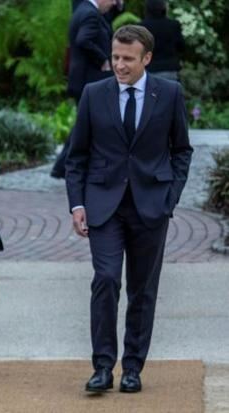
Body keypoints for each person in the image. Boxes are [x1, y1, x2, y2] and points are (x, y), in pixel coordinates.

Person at [65, 25, 192, 393]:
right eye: (116, 57)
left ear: (146, 59)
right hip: (103, 206)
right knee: (105, 280)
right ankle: (103, 366)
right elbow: (77, 156)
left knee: (142, 290)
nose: (119, 65)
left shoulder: (168, 94)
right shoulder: (94, 93)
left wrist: (170, 198)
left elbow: (182, 150)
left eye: (127, 59)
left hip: (151, 207)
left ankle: (133, 367)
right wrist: (77, 203)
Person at [52, 0, 116, 179]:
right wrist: (102, 59)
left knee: (86, 123)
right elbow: (83, 39)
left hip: (83, 79)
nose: (113, 4)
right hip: (89, 79)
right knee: (85, 123)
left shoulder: (83, 10)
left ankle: (65, 165)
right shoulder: (90, 13)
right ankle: (63, 165)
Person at [139, 0, 185, 81]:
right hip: (169, 69)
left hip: (149, 69)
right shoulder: (173, 25)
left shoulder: (141, 27)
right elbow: (181, 47)